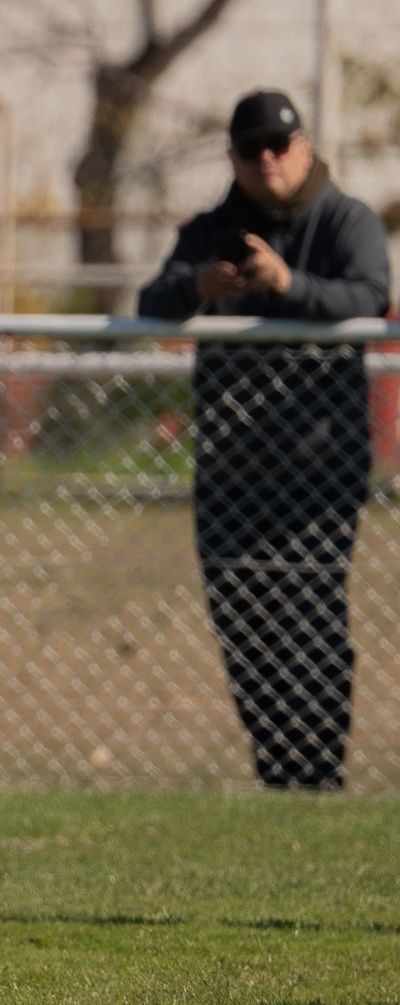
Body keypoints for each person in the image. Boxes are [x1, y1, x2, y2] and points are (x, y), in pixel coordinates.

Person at [139, 90, 391, 790]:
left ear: (304, 147)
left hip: (320, 463)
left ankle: (319, 773)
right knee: (243, 620)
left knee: (308, 615)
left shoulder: (345, 220)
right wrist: (202, 284)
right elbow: (149, 304)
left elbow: (368, 296)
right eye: (253, 149)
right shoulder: (212, 228)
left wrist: (289, 284)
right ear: (235, 158)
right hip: (231, 465)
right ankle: (276, 773)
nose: (268, 160)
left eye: (280, 145)